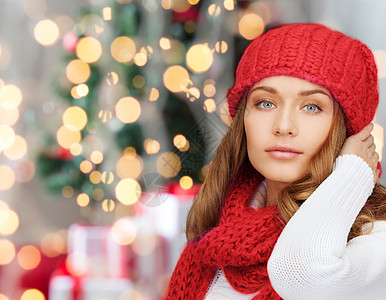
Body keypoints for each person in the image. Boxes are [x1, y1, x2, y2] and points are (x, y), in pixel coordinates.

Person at [164, 23, 386, 300]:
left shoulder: (375, 239)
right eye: (266, 103)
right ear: (242, 118)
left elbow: (304, 276)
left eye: (312, 107)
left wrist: (352, 173)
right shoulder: (215, 235)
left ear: (350, 131)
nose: (283, 126)